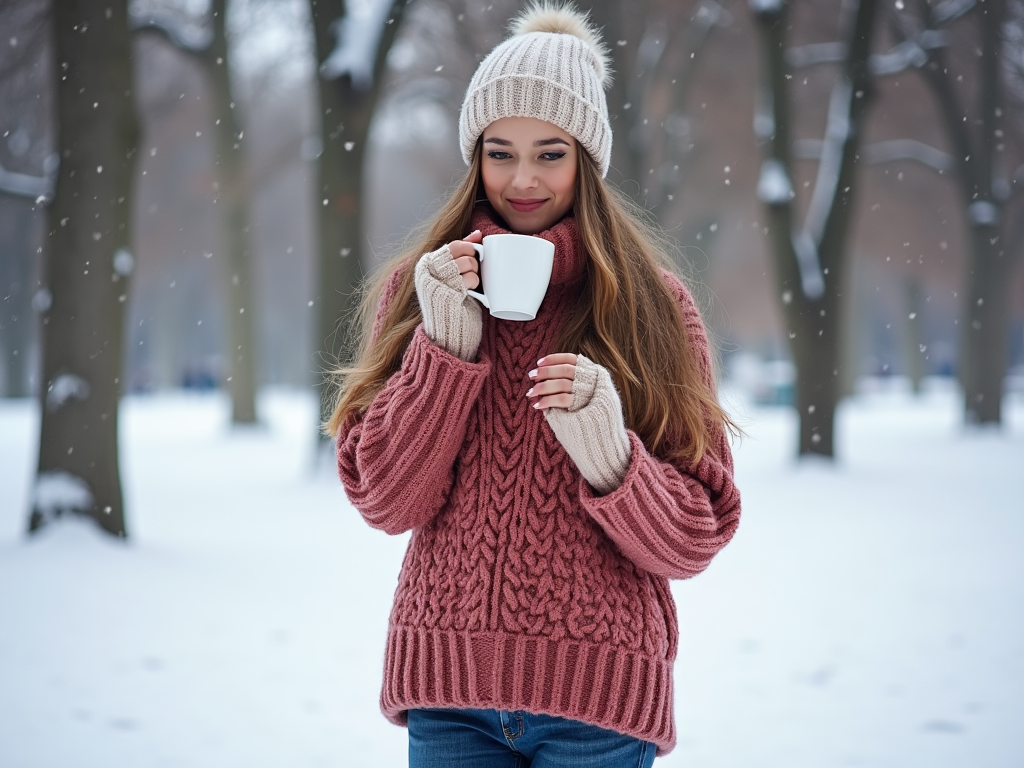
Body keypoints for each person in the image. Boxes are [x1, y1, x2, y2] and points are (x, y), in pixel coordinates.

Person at [325, 3, 741, 765]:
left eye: (550, 153)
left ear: (587, 159)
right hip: (448, 695)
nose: (522, 179)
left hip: (599, 699)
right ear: (473, 157)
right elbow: (386, 500)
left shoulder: (655, 308)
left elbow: (695, 534)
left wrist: (612, 457)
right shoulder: (421, 292)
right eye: (499, 151)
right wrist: (443, 354)